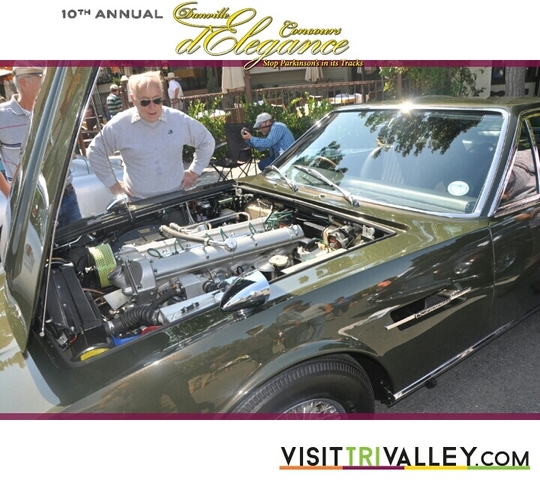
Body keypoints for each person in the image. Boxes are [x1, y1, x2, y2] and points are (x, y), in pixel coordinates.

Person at [87, 71, 215, 200]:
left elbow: (206, 141)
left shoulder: (177, 119)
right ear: (133, 99)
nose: (152, 106)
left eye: (157, 100)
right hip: (139, 202)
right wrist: (113, 184)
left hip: (177, 198)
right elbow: (95, 152)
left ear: (162, 96)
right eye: (145, 102)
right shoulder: (120, 124)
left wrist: (194, 172)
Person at [0, 66, 82, 226]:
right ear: (23, 82)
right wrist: (13, 197)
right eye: (43, 77)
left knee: (79, 242)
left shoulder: (55, 110)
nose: (49, 83)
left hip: (66, 196)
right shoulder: (2, 116)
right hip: (29, 204)